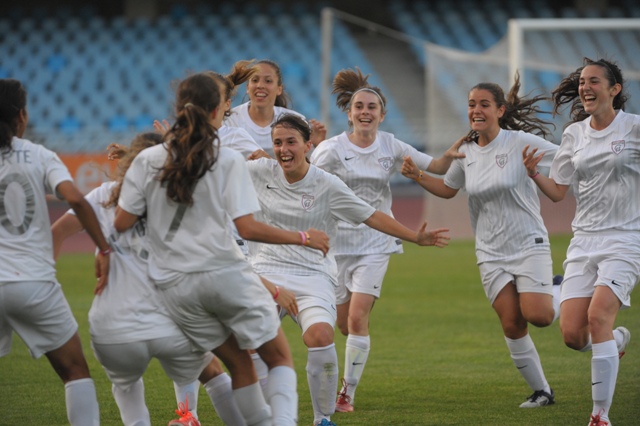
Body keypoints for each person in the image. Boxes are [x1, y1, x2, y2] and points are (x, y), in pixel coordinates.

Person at [114, 72, 329, 426]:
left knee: (230, 364)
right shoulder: (227, 159)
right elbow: (247, 229)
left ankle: (201, 416)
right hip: (223, 274)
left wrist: (106, 256)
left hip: (174, 286)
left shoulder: (148, 160)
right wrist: (303, 237)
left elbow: (121, 224)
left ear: (179, 109)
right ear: (218, 111)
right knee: (275, 358)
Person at [247, 113, 450, 426]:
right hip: (266, 269)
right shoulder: (257, 171)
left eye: (291, 142)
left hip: (312, 273)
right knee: (251, 339)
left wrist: (415, 237)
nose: (283, 150)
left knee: (320, 335)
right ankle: (265, 417)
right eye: (277, 143)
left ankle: (322, 418)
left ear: (307, 145)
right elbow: (214, 172)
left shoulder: (326, 184)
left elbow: (371, 215)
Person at [51, 133, 246, 426]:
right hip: (172, 320)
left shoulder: (104, 194)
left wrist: (101, 251)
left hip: (114, 325)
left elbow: (56, 232)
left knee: (126, 385)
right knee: (214, 372)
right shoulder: (182, 198)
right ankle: (204, 417)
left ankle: (171, 418)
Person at [402, 74, 563, 409]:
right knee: (512, 323)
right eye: (471, 104)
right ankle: (542, 392)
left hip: (528, 242)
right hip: (490, 251)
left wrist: (538, 173)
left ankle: (561, 288)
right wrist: (417, 175)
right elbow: (448, 189)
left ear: (500, 110)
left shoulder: (519, 142)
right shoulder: (465, 150)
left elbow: (566, 159)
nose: (476, 110)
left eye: (484, 104)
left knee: (540, 316)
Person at [309, 67, 464, 413]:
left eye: (372, 107)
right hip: (337, 245)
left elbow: (437, 167)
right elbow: (308, 184)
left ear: (382, 114)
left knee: (357, 319)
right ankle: (353, 354)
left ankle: (346, 393)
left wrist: (450, 155)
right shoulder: (330, 150)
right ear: (349, 114)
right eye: (359, 107)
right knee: (343, 324)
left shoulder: (391, 144)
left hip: (378, 240)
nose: (365, 112)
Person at [523, 57, 636, 426]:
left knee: (597, 316)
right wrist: (534, 174)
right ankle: (614, 342)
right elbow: (558, 191)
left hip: (625, 240)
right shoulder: (574, 134)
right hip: (584, 241)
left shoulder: (634, 128)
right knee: (573, 334)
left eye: (594, 81)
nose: (585, 87)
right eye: (582, 81)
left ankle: (600, 416)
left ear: (614, 89)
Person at [0, 78, 110, 425]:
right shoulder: (39, 155)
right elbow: (75, 198)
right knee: (75, 370)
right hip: (33, 282)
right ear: (22, 115)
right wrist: (104, 248)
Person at [224, 59, 326, 157]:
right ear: (247, 87)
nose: (260, 85)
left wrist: (319, 146)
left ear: (279, 89)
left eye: (268, 81)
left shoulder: (296, 121)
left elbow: (309, 164)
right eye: (255, 80)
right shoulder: (230, 120)